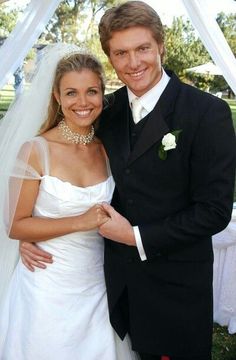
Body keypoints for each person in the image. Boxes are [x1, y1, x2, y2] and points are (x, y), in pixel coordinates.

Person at [20, 2, 236, 359]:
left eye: (142, 49)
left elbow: (213, 211)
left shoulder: (206, 113)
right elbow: (68, 171)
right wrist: (34, 232)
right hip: (113, 289)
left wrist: (134, 236)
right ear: (110, 57)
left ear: (161, 46)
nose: (133, 63)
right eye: (121, 53)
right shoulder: (106, 110)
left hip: (174, 292)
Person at [0, 43, 137, 360]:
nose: (83, 102)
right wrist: (80, 222)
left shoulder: (107, 148)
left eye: (92, 91)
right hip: (46, 286)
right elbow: (16, 224)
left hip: (97, 284)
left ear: (103, 95)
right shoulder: (36, 150)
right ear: (57, 98)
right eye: (71, 93)